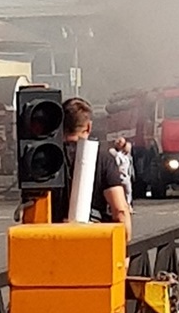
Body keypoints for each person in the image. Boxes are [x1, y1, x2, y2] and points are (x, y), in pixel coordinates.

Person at [54, 98, 132, 241]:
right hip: (94, 241)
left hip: (53, 241)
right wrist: (124, 249)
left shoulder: (47, 158)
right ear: (89, 127)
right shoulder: (102, 158)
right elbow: (120, 210)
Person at [110, 135, 134, 206]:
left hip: (126, 177)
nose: (129, 149)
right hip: (120, 177)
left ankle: (128, 205)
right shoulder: (117, 154)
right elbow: (116, 165)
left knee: (128, 192)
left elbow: (130, 166)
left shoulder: (128, 156)